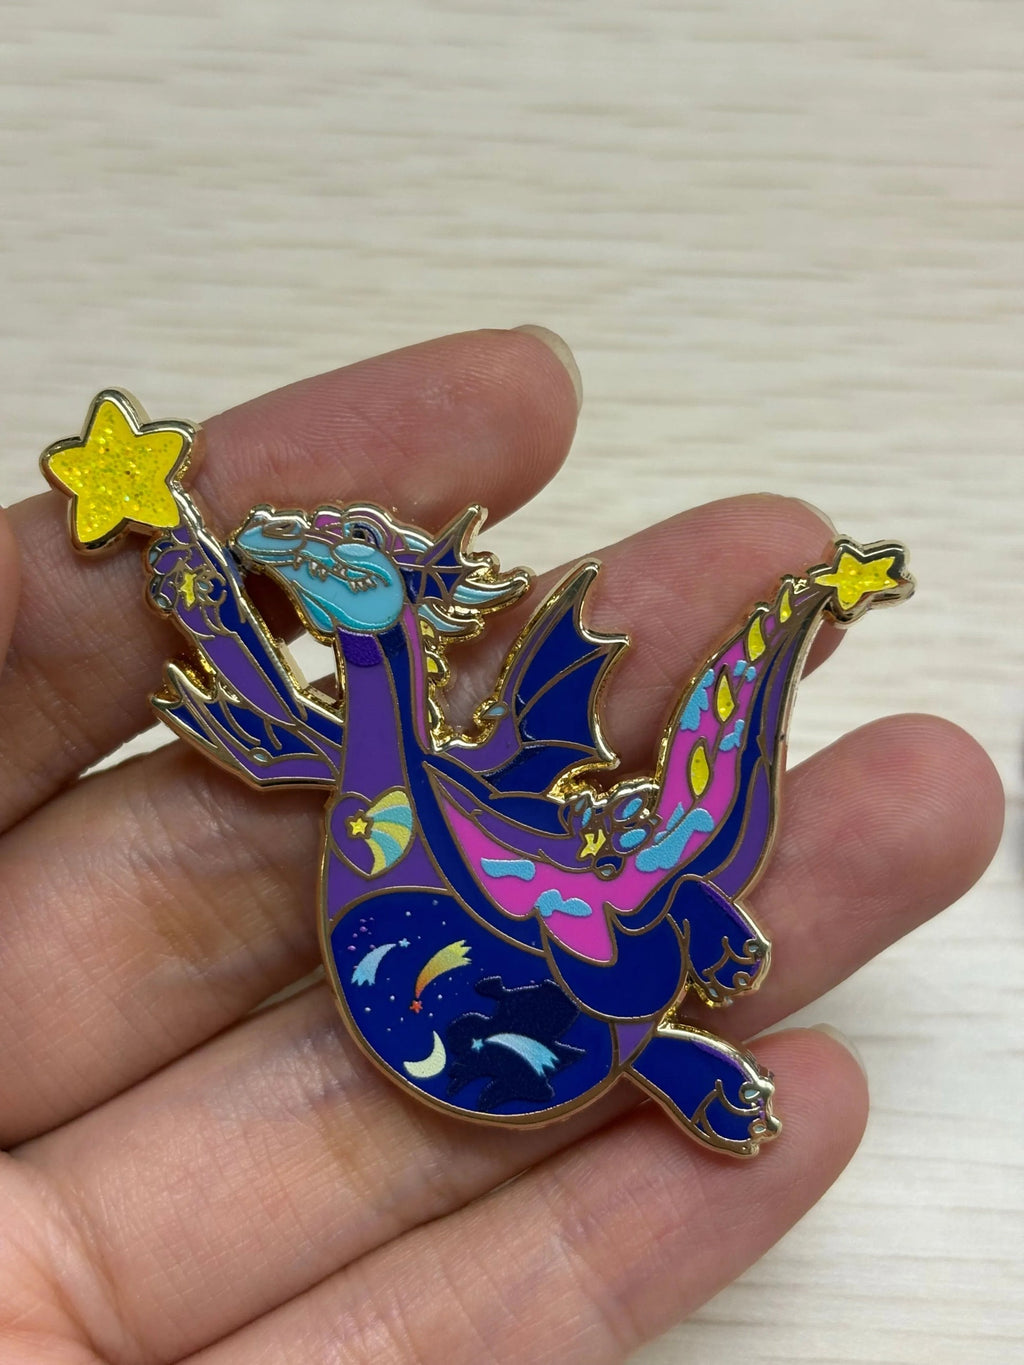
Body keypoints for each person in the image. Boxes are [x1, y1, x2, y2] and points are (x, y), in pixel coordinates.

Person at [0, 327, 1003, 1364]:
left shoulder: (428, 775)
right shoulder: (378, 765)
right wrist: (183, 557)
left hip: (524, 979)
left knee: (604, 883)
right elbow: (274, 693)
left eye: (346, 548)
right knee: (497, 856)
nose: (311, 551)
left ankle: (660, 1002)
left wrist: (801, 609)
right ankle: (652, 1026)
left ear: (390, 584)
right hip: (443, 991)